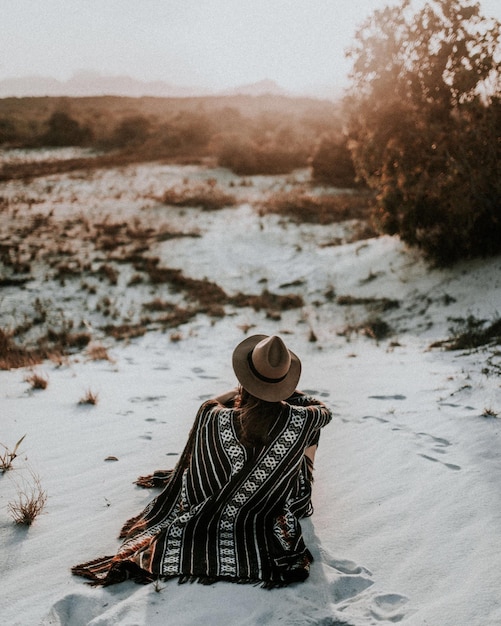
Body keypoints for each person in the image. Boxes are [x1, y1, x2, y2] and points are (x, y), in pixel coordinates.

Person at [72, 334, 332, 588]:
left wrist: (240, 391)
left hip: (215, 497)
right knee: (311, 433)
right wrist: (280, 391)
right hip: (283, 499)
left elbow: (208, 404)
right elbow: (323, 410)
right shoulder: (303, 419)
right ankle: (303, 481)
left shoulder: (215, 418)